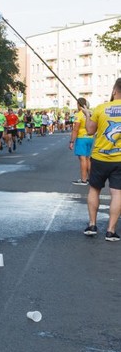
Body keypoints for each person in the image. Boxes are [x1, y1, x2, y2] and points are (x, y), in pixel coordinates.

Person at [83, 78, 121, 240]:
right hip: (119, 160)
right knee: (117, 193)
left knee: (94, 189)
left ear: (114, 91)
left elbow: (90, 130)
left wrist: (87, 115)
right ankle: (111, 231)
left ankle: (92, 225)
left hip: (99, 157)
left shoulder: (101, 108)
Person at [70, 98, 94, 185]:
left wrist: (72, 141)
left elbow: (75, 129)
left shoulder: (79, 114)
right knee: (88, 159)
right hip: (90, 138)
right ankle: (91, 179)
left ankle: (84, 180)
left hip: (81, 138)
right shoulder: (90, 113)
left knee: (82, 159)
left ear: (78, 104)